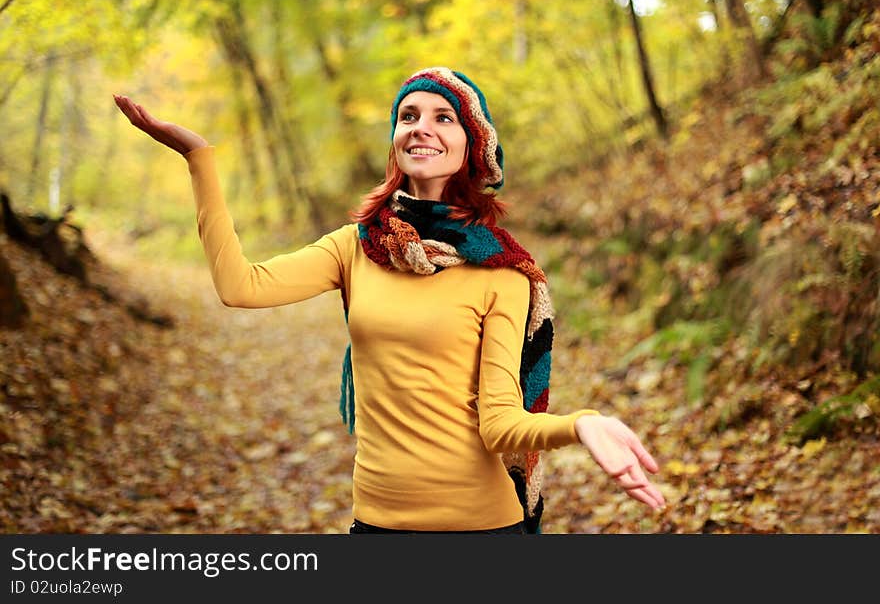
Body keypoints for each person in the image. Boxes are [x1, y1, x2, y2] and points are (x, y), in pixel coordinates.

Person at [113, 66, 665, 534]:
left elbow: (500, 425)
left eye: (442, 117)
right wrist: (198, 158)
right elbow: (240, 286)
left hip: (483, 529)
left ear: (474, 146)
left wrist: (584, 424)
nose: (421, 128)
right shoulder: (356, 248)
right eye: (408, 116)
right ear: (395, 140)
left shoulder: (502, 271)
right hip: (375, 523)